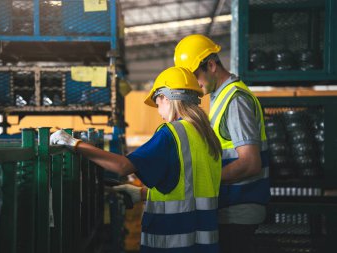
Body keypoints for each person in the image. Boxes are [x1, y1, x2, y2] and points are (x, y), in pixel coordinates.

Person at [50, 66, 222, 253]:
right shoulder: (207, 136)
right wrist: (141, 193)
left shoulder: (171, 133)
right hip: (204, 243)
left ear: (165, 97)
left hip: (172, 242)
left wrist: (73, 143)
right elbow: (188, 190)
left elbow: (123, 166)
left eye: (157, 103)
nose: (159, 112)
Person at [174, 34, 270, 253]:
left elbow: (250, 163)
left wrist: (202, 180)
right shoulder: (219, 95)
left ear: (211, 65)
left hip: (240, 209)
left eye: (195, 75)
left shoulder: (235, 100)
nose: (193, 84)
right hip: (230, 206)